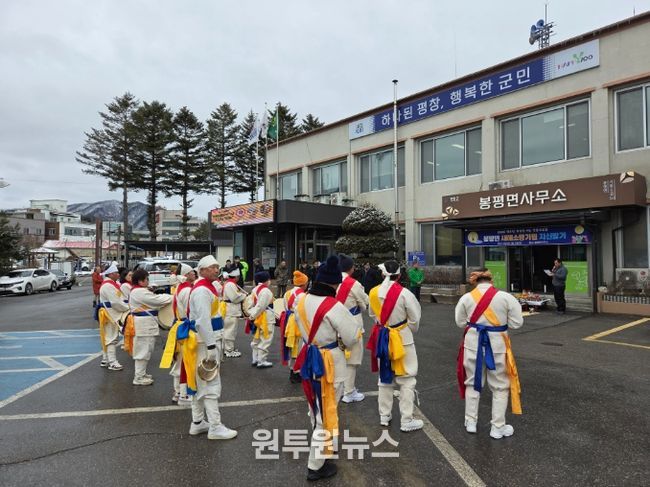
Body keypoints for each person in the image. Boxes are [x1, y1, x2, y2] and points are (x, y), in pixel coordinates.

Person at [293, 255, 358, 481]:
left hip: (309, 358)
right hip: (330, 362)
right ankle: (316, 464)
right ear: (334, 283)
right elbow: (351, 338)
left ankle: (325, 449)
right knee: (326, 410)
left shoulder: (301, 300)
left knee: (315, 407)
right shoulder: (334, 306)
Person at [454, 268, 524, 439]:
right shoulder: (506, 297)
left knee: (472, 383)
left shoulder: (466, 298)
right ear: (491, 280)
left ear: (475, 281)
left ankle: (470, 421)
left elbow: (460, 322)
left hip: (473, 343)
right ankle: (497, 427)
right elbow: (517, 323)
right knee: (500, 385)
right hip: (498, 344)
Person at [183, 255, 237, 440]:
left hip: (204, 340)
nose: (216, 269)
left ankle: (198, 422)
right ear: (202, 270)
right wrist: (212, 346)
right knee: (210, 383)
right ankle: (215, 426)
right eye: (212, 267)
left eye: (217, 266)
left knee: (200, 382)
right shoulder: (202, 290)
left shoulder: (206, 287)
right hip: (205, 342)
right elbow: (203, 321)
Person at [366, 260, 423, 432]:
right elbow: (415, 320)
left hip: (382, 337)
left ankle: (384, 416)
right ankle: (406, 419)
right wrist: (405, 328)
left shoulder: (373, 292)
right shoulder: (405, 293)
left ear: (383, 274)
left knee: (385, 378)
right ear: (398, 276)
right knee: (407, 379)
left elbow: (372, 314)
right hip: (402, 337)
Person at [128, 268, 173, 386]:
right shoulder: (139, 292)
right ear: (140, 281)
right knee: (143, 351)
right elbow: (157, 300)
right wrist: (172, 297)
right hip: (143, 326)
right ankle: (138, 377)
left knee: (146, 350)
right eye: (146, 279)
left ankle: (141, 373)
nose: (148, 281)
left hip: (145, 325)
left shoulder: (138, 291)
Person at [161, 264, 196, 404]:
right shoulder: (187, 290)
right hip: (185, 327)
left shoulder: (180, 287)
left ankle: (177, 392)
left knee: (179, 360)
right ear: (186, 275)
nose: (194, 274)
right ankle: (182, 393)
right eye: (192, 272)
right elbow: (191, 310)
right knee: (184, 360)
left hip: (179, 325)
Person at [336, 255, 368, 404]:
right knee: (352, 360)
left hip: (333, 323)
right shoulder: (354, 284)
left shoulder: (332, 280)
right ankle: (349, 392)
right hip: (352, 324)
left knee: (338, 358)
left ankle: (339, 389)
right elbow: (364, 302)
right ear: (351, 268)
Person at [96, 263, 129, 371]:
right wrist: (128, 308)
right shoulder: (108, 286)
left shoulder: (111, 284)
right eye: (116, 273)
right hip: (110, 313)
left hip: (110, 312)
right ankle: (112, 362)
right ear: (110, 274)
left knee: (108, 336)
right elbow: (116, 303)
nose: (118, 274)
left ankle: (105, 359)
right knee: (111, 337)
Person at [280, 270, 309, 383]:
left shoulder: (287, 293)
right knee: (299, 346)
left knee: (292, 346)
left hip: (289, 320)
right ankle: (297, 372)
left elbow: (285, 307)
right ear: (304, 284)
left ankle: (293, 370)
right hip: (298, 322)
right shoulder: (303, 295)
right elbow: (304, 310)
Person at [247, 271, 275, 368]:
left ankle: (255, 358)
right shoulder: (266, 291)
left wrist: (251, 315)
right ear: (266, 280)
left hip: (257, 316)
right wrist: (253, 315)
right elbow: (261, 306)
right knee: (266, 338)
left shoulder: (255, 289)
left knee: (257, 337)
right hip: (266, 316)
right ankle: (261, 360)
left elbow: (250, 304)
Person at [222, 268, 246, 358]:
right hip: (231, 310)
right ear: (236, 277)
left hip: (230, 310)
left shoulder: (229, 283)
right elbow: (235, 298)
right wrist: (244, 295)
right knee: (230, 331)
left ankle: (226, 348)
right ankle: (229, 350)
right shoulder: (230, 284)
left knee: (228, 330)